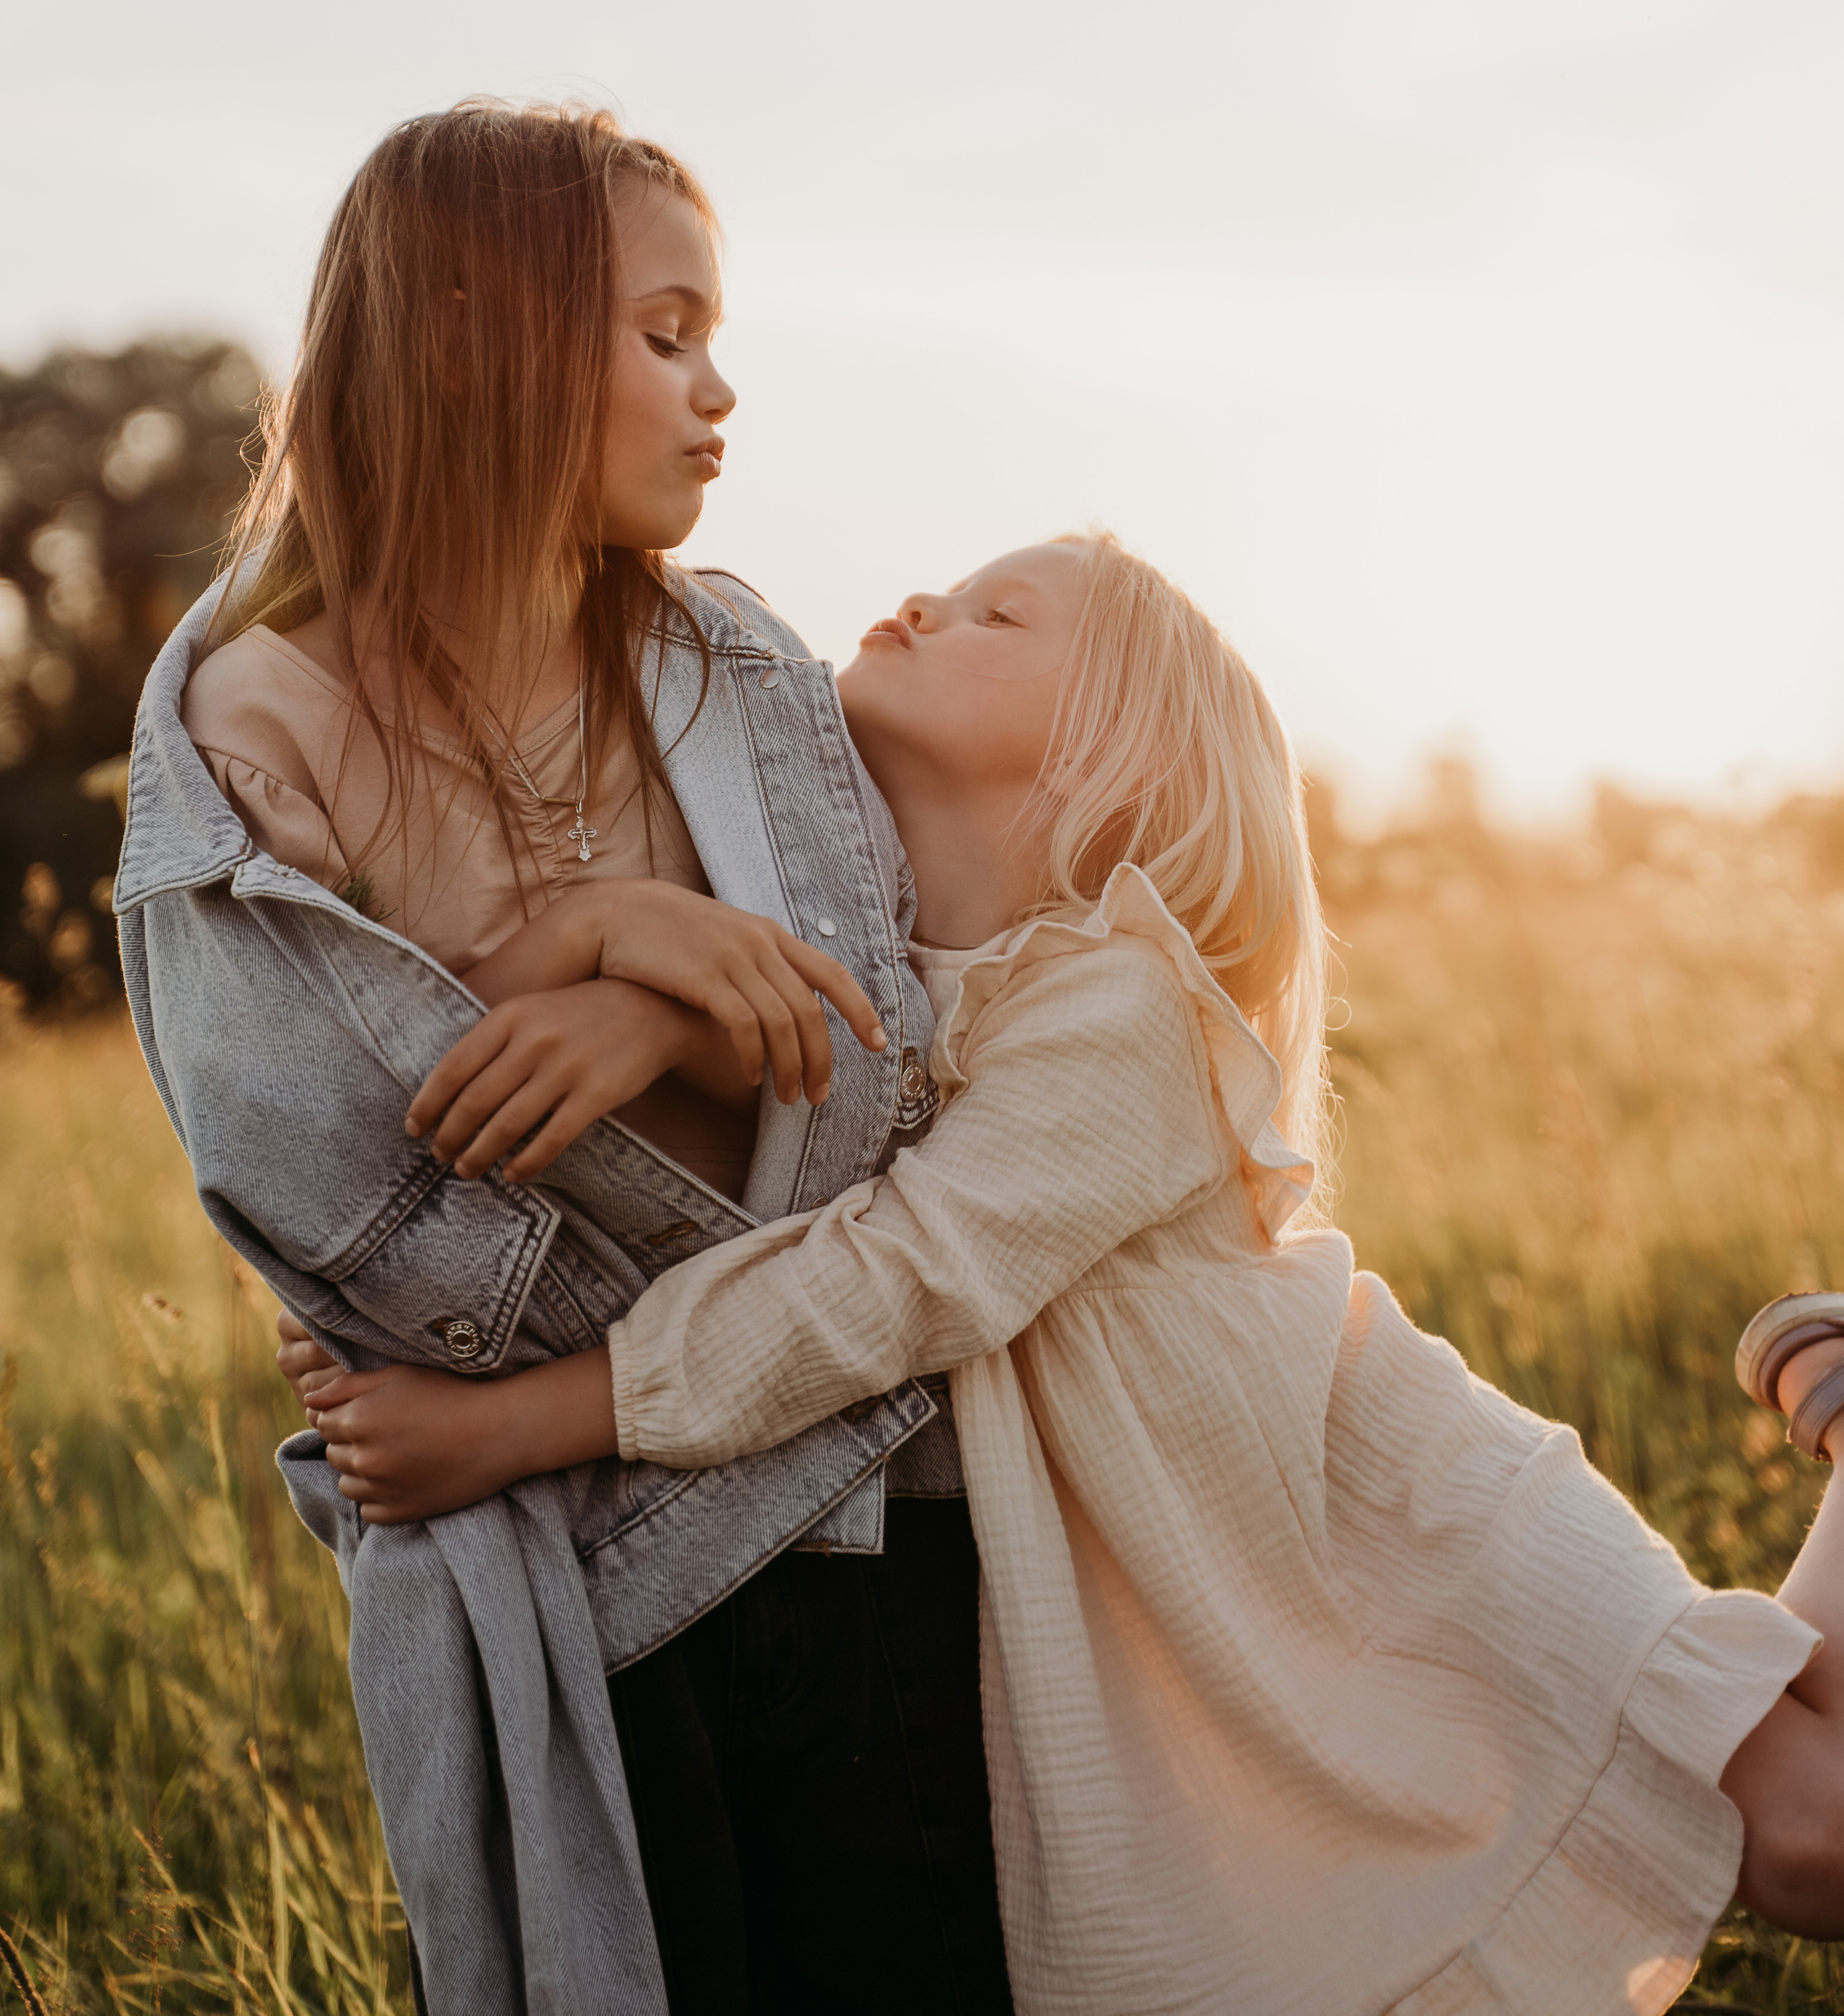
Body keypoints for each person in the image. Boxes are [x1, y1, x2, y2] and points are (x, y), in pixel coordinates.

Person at [289, 532, 1844, 2016]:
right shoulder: (886, 977)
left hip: (1400, 1521)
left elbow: (897, 1275)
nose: (920, 597)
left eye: (996, 613)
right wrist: (595, 966)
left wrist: (518, 1419)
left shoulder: (1127, 1004)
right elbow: (652, 1139)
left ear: (1115, 754)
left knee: (1804, 1830)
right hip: (1241, 1603)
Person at [116, 99, 1012, 2016]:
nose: (720, 389)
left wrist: (652, 1002)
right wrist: (589, 925)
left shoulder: (741, 675)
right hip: (556, 1582)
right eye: (664, 331)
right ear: (469, 331)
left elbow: (896, 1055)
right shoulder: (259, 722)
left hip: (856, 1508)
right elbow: (374, 1173)